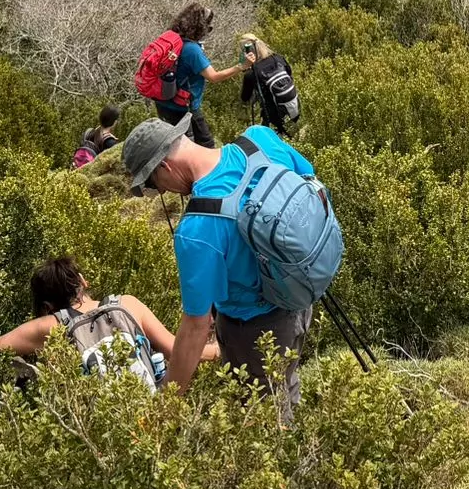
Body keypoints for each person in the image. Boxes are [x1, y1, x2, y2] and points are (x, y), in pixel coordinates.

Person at [117, 117, 321, 414]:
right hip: (301, 297)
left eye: (151, 183)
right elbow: (309, 182)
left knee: (264, 425)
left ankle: (293, 451)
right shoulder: (260, 140)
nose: (160, 191)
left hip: (255, 332)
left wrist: (167, 406)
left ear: (165, 167)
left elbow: (197, 326)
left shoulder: (197, 229)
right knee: (286, 383)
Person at [0, 256, 210, 382]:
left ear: (47, 305)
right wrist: (222, 348)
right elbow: (177, 350)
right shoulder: (128, 304)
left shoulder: (49, 327)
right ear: (83, 281)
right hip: (150, 413)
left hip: (98, 429)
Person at [158, 4, 242, 149]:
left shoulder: (172, 39)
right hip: (183, 107)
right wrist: (241, 67)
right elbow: (213, 77)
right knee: (205, 144)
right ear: (199, 27)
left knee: (174, 144)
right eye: (207, 27)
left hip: (163, 101)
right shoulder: (192, 50)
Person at [236, 35, 298, 134]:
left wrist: (245, 68)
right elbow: (290, 74)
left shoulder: (251, 74)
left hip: (272, 118)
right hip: (294, 108)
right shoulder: (278, 58)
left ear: (246, 53)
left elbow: (245, 98)